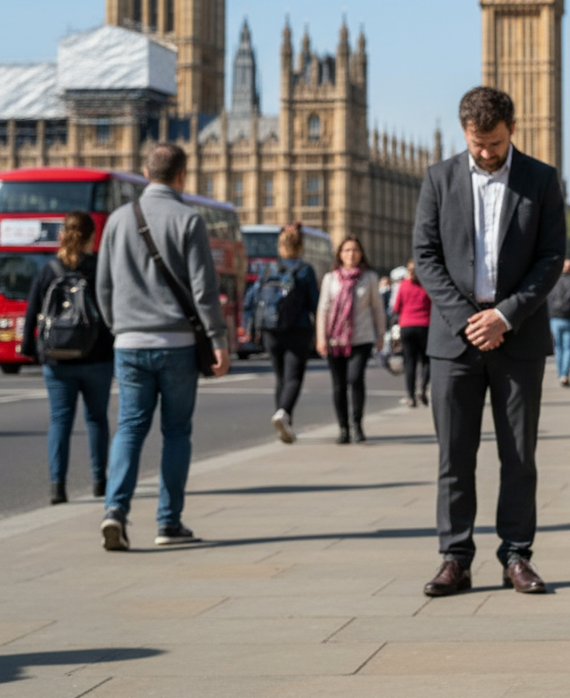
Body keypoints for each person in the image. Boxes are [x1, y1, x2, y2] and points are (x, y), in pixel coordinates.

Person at [413, 86, 565, 597]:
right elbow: (426, 257)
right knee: (454, 455)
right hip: (454, 341)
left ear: (512, 130)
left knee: (518, 455)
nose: (485, 153)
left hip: (517, 337)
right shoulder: (438, 179)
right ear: (465, 134)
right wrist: (467, 320)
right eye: (477, 144)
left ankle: (517, 555)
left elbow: (551, 258)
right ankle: (455, 556)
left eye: (494, 143)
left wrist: (504, 315)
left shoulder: (541, 180)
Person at [96, 143, 230, 551]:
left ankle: (114, 510)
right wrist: (218, 339)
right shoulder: (189, 219)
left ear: (144, 172)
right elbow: (205, 290)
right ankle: (167, 522)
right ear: (182, 176)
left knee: (130, 428)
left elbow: (102, 286)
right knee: (176, 431)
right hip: (176, 343)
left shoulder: (118, 220)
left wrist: (119, 327)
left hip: (129, 343)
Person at [22, 212, 114, 504]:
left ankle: (57, 487)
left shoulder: (49, 269)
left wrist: (30, 349)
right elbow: (111, 310)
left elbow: (32, 311)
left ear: (62, 234)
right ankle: (100, 481)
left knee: (60, 420)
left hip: (58, 358)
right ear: (91, 237)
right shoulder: (99, 267)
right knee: (97, 419)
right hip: (97, 356)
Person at [245, 223, 320, 443]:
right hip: (298, 329)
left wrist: (251, 325)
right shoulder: (305, 270)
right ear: (301, 246)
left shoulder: (268, 269)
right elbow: (315, 302)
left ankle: (285, 421)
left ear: (279, 246)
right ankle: (284, 413)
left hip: (271, 330)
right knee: (293, 377)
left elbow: (251, 299)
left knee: (280, 378)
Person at [316, 236, 386, 443]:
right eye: (347, 250)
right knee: (338, 385)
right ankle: (343, 428)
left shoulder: (370, 278)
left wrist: (381, 335)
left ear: (361, 253)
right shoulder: (330, 278)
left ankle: (357, 425)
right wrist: (320, 338)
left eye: (355, 250)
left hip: (361, 337)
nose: (351, 254)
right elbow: (323, 309)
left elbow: (377, 309)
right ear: (340, 254)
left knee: (355, 379)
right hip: (334, 339)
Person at [393, 259, 432, 407]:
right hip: (425, 325)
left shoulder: (403, 286)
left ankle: (410, 396)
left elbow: (396, 307)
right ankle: (422, 389)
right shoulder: (427, 285)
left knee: (410, 362)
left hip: (407, 326)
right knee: (426, 361)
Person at [547, 258, 570, 386]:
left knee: (558, 348)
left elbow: (548, 300)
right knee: (568, 348)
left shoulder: (553, 281)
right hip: (569, 317)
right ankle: (564, 374)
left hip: (555, 317)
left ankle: (560, 373)